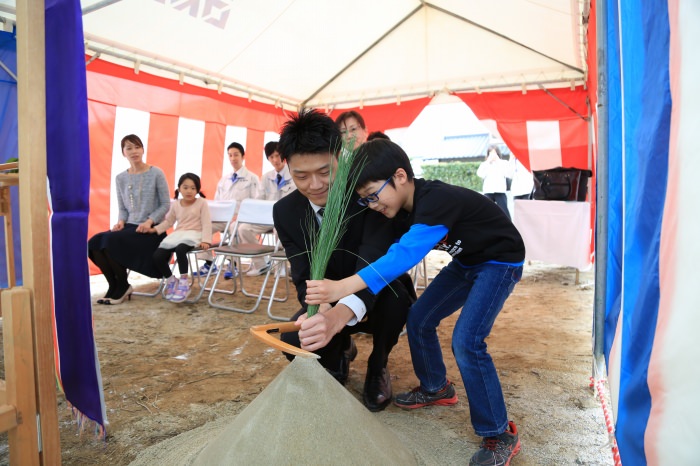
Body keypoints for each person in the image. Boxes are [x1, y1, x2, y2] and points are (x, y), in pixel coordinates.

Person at [305, 139, 526, 465]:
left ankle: (499, 432)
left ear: (400, 176)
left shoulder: (435, 199)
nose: (371, 204)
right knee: (419, 316)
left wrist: (341, 288)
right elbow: (383, 251)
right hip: (466, 264)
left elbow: (403, 257)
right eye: (364, 199)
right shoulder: (398, 209)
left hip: (499, 262)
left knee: (467, 341)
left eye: (372, 194)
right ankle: (437, 387)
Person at [274, 109, 416, 412]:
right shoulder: (285, 212)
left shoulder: (367, 196)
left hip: (374, 291)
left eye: (325, 172)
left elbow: (374, 261)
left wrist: (339, 315)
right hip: (326, 297)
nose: (314, 185)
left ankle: (378, 364)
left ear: (340, 157)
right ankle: (338, 352)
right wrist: (320, 310)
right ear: (287, 167)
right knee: (296, 340)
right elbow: (303, 274)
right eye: (301, 175)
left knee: (397, 302)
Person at [88, 134, 171, 305]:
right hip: (129, 228)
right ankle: (115, 285)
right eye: (129, 148)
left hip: (152, 230)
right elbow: (123, 208)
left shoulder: (156, 173)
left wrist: (149, 221)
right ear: (123, 153)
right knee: (94, 243)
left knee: (110, 241)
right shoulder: (120, 178)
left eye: (137, 147)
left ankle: (123, 286)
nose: (134, 151)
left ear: (142, 149)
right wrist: (121, 221)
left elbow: (165, 204)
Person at [194, 142, 260, 279]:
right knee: (204, 227)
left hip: (240, 218)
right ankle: (209, 263)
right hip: (223, 218)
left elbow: (255, 203)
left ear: (243, 156)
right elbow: (217, 202)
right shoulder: (224, 180)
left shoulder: (252, 178)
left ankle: (233, 264)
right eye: (230, 155)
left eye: (236, 155)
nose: (233, 158)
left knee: (233, 227)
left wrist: (241, 216)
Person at [148, 173, 212, 302]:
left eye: (193, 188)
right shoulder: (176, 204)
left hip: (195, 234)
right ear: (179, 188)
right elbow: (168, 222)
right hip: (179, 234)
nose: (189, 191)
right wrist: (155, 229)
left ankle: (184, 282)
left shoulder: (201, 203)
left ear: (198, 190)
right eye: (186, 187)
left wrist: (206, 240)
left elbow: (206, 222)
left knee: (180, 250)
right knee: (158, 255)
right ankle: (171, 280)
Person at [237, 141, 296, 276]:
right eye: (271, 157)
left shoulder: (294, 174)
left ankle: (280, 266)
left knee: (279, 230)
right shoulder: (266, 177)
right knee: (243, 228)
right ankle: (261, 264)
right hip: (266, 218)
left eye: (277, 155)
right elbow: (259, 199)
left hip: (286, 219)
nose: (275, 160)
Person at [477, 147, 511, 219]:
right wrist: (488, 162)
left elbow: (507, 173)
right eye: (490, 153)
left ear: (498, 153)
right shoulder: (484, 164)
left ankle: (509, 227)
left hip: (500, 190)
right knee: (486, 210)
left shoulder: (504, 163)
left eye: (494, 153)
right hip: (488, 190)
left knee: (504, 211)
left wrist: (498, 161)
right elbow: (480, 174)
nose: (492, 155)